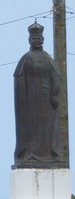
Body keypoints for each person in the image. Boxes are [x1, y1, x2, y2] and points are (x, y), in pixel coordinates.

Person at [13, 22, 67, 168]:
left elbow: (56, 76)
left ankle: (49, 154)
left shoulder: (47, 58)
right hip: (30, 101)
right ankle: (29, 154)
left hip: (45, 100)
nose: (36, 41)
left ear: (42, 40)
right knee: (31, 127)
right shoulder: (26, 59)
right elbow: (18, 77)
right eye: (33, 39)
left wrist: (55, 94)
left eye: (38, 39)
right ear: (29, 40)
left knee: (47, 127)